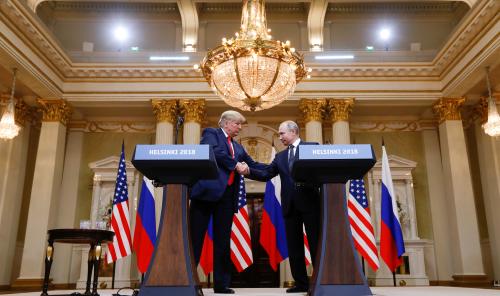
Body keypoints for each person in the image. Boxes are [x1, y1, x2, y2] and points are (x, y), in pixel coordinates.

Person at [189, 110, 264, 294]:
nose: (240, 127)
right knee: (195, 239)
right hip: (205, 195)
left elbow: (252, 165)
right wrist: (235, 165)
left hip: (226, 198)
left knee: (223, 242)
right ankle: (187, 280)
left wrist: (275, 169)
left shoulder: (238, 148)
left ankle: (221, 285)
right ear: (226, 123)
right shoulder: (211, 133)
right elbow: (214, 152)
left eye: (240, 124)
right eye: (237, 123)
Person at [248, 120, 320, 293]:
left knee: (316, 243)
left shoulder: (312, 148)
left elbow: (319, 170)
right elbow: (266, 173)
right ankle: (301, 283)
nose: (280, 137)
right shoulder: (280, 157)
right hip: (290, 206)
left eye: (282, 133)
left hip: (310, 203)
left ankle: (321, 279)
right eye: (279, 134)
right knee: (294, 246)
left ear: (293, 131)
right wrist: (248, 171)